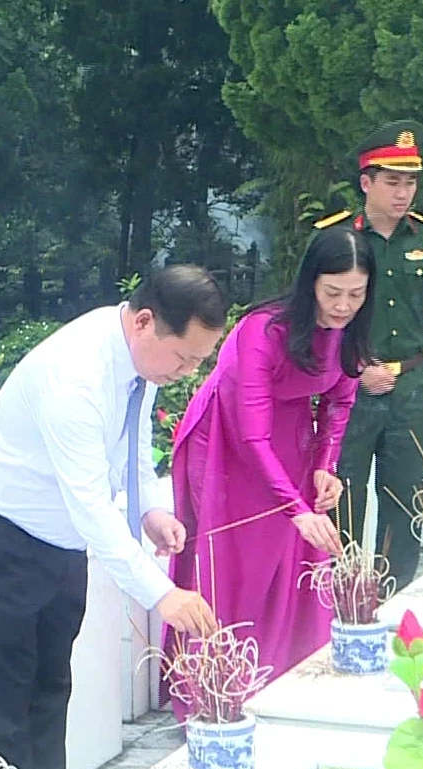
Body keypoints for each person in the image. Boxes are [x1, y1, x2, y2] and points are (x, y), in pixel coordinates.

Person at [0, 264, 223, 769]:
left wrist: (151, 506)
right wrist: (161, 594)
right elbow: (94, 508)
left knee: (52, 680)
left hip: (59, 538)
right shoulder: (76, 377)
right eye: (184, 359)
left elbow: (133, 438)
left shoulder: (134, 355)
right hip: (3, 529)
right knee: (4, 685)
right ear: (146, 322)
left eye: (198, 362)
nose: (186, 373)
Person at [164, 228, 376, 701]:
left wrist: (325, 466)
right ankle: (213, 692)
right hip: (227, 439)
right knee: (234, 558)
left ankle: (282, 675)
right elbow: (251, 433)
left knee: (294, 556)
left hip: (292, 441)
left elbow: (339, 402)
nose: (343, 306)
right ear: (309, 285)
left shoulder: (351, 333)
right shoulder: (265, 330)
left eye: (356, 295)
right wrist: (296, 507)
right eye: (333, 293)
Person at [329, 120, 423, 584]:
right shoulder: (336, 239)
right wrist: (351, 371)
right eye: (392, 182)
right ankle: (342, 602)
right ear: (366, 182)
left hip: (409, 386)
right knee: (342, 498)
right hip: (348, 389)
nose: (403, 193)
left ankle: (394, 600)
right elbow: (317, 318)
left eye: (410, 182)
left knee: (406, 501)